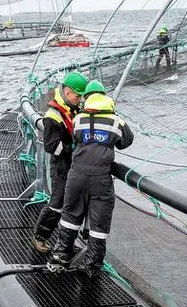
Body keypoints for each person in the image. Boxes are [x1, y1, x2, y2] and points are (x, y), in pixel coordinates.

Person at [50, 89, 134, 277]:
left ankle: (61, 253)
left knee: (70, 214)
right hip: (100, 179)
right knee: (98, 222)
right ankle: (92, 266)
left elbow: (76, 138)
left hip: (76, 175)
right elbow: (126, 141)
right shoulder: (115, 122)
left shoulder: (78, 119)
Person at [31, 71, 88, 253]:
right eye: (77, 95)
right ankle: (40, 236)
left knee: (74, 203)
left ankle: (68, 242)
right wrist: (75, 148)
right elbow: (51, 146)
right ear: (67, 92)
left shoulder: (75, 109)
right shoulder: (53, 116)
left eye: (81, 96)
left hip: (75, 166)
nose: (79, 99)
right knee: (57, 202)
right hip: (61, 168)